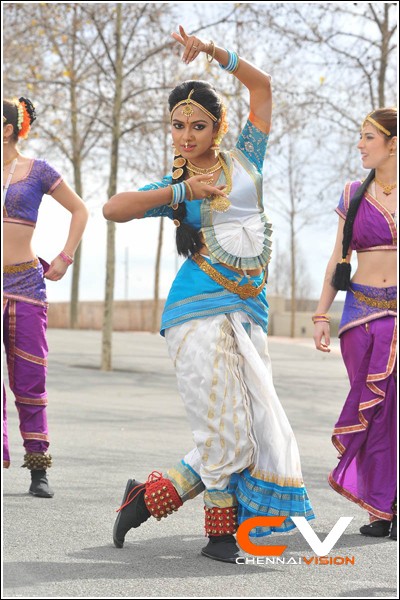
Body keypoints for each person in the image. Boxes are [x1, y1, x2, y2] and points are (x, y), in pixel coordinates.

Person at [104, 26, 314, 563]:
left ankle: (145, 499)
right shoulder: (174, 187)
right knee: (226, 430)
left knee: (250, 430)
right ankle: (220, 537)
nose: (186, 135)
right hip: (196, 313)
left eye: (197, 125)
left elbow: (262, 88)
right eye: (177, 126)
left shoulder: (246, 160)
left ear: (218, 126)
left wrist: (215, 52)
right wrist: (182, 190)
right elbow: (113, 208)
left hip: (250, 311)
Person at [313, 107, 397, 541]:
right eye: (361, 137)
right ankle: (380, 508)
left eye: (369, 137)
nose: (360, 145)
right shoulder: (353, 194)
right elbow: (337, 257)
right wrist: (321, 313)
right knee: (374, 412)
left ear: (393, 144)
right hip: (359, 315)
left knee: (392, 410)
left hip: (397, 315)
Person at [3, 97, 89, 497]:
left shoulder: (38, 171)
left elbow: (80, 210)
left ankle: (38, 470)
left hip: (25, 285)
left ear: (7, 129)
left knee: (29, 380)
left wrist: (65, 257)